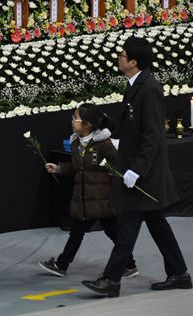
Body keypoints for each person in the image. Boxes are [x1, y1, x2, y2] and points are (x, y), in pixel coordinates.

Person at [82, 36, 192, 297]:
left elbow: (153, 134)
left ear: (133, 61)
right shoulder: (133, 85)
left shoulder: (150, 88)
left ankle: (111, 280)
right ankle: (179, 273)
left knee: (128, 226)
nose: (118, 57)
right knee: (156, 224)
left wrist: (137, 169)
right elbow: (131, 124)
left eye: (122, 54)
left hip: (144, 173)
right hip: (136, 168)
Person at [39, 104, 138, 279]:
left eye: (75, 118)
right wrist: (59, 169)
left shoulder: (104, 144)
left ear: (87, 125)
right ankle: (129, 264)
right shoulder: (76, 142)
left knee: (108, 232)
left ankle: (62, 264)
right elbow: (78, 167)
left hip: (102, 200)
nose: (72, 121)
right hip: (85, 200)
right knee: (82, 232)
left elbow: (119, 165)